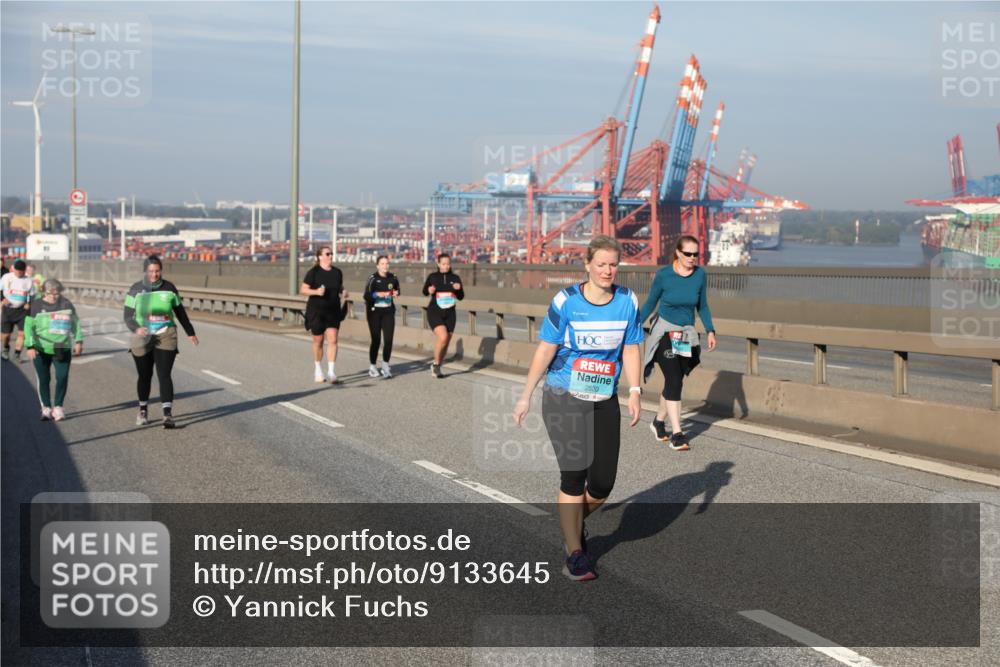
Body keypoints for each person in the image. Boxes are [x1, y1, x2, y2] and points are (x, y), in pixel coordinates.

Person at [512, 235, 643, 581]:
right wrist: (526, 394)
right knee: (574, 476)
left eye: (613, 264)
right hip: (563, 396)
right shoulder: (566, 301)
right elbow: (545, 349)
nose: (607, 270)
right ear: (587, 265)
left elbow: (631, 347)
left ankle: (572, 522)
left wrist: (635, 390)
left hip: (604, 398)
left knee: (602, 483)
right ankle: (575, 553)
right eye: (600, 264)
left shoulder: (628, 300)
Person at [639, 235, 716, 451]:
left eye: (696, 254)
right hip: (664, 330)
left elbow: (703, 306)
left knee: (676, 382)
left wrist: (710, 329)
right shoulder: (664, 275)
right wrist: (634, 324)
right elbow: (651, 302)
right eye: (688, 254)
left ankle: (658, 421)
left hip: (684, 334)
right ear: (678, 253)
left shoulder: (700, 275)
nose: (692, 258)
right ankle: (678, 433)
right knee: (673, 377)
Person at [124, 255, 199, 428]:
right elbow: (127, 315)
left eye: (157, 271)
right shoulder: (136, 289)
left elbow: (180, 312)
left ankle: (167, 415)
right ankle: (143, 410)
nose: (154, 274)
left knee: (164, 374)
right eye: (151, 271)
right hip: (142, 336)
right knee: (145, 375)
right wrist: (136, 328)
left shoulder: (169, 288)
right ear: (145, 271)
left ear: (161, 271)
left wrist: (190, 332)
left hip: (166, 333)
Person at [24, 279, 83, 421]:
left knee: (62, 377)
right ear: (44, 292)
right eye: (50, 293)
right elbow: (28, 327)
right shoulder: (37, 305)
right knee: (44, 378)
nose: (54, 296)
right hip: (41, 347)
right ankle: (46, 407)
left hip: (61, 346)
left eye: (57, 293)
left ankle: (58, 407)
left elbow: (75, 322)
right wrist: (30, 346)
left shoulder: (66, 304)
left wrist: (78, 340)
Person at [301, 245, 347, 384]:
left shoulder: (337, 272)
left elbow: (339, 287)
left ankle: (332, 372)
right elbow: (303, 289)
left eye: (331, 254)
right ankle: (318, 369)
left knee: (333, 340)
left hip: (333, 310)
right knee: (318, 341)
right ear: (320, 257)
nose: (330, 256)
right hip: (317, 311)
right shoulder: (313, 272)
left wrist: (344, 292)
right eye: (327, 254)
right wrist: (316, 292)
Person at [422, 253, 464, 378]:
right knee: (443, 337)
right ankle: (435, 364)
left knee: (446, 342)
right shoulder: (433, 277)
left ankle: (438, 365)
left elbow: (461, 297)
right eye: (443, 264)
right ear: (438, 264)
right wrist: (429, 290)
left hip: (450, 313)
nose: (446, 266)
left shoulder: (455, 277)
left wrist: (458, 289)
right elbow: (424, 291)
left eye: (448, 264)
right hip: (435, 311)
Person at [363, 255, 399, 379]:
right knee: (376, 340)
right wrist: (377, 294)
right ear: (377, 266)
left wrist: (395, 293)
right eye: (382, 264)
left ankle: (385, 365)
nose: (385, 266)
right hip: (374, 312)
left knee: (388, 340)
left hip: (388, 312)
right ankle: (372, 366)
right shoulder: (372, 278)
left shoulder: (393, 278)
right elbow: (366, 296)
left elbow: (397, 290)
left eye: (387, 263)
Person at [1, 259, 34, 362]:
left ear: (24, 271)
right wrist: (2, 299)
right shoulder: (7, 277)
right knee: (6, 335)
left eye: (22, 271)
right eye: (18, 271)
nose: (19, 273)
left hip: (22, 311)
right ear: (13, 269)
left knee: (22, 334)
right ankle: (6, 348)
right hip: (8, 310)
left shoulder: (28, 280)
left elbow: (31, 295)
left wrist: (28, 303)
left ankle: (17, 354)